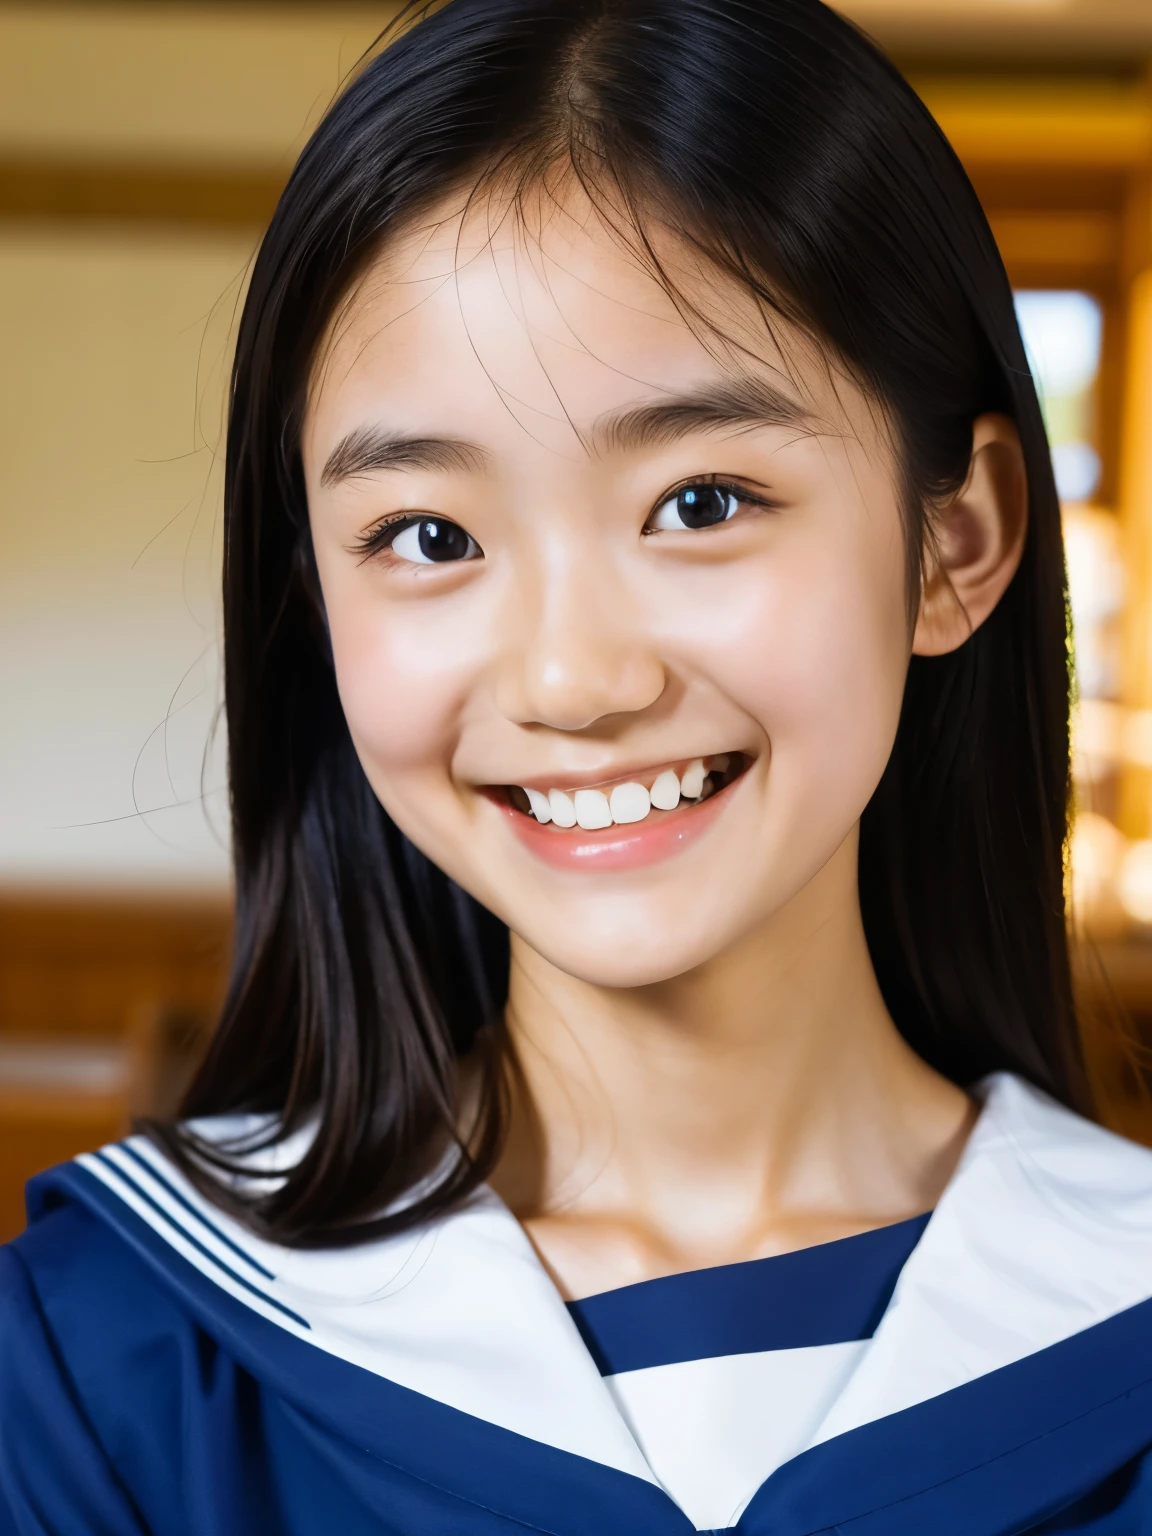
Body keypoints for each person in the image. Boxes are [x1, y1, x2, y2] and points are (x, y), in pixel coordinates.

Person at [4, 1, 1152, 1531]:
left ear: (958, 539)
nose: (572, 679)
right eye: (429, 537)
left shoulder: (1110, 1309)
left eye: (703, 500)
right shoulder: (100, 1363)